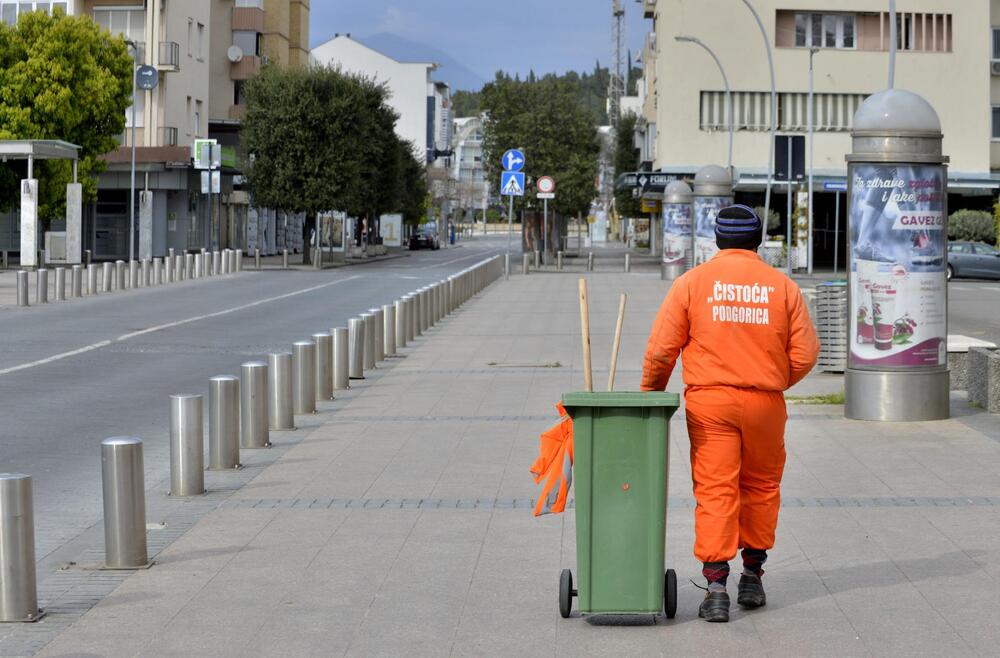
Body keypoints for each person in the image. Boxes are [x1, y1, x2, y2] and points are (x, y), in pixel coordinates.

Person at [640, 205, 819, 623]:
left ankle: (716, 587)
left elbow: (662, 348)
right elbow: (807, 353)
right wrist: (773, 379)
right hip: (764, 404)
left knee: (716, 488)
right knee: (761, 485)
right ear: (757, 241)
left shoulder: (692, 284)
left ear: (717, 241)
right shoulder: (782, 287)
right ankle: (752, 576)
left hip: (710, 404)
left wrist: (651, 393)